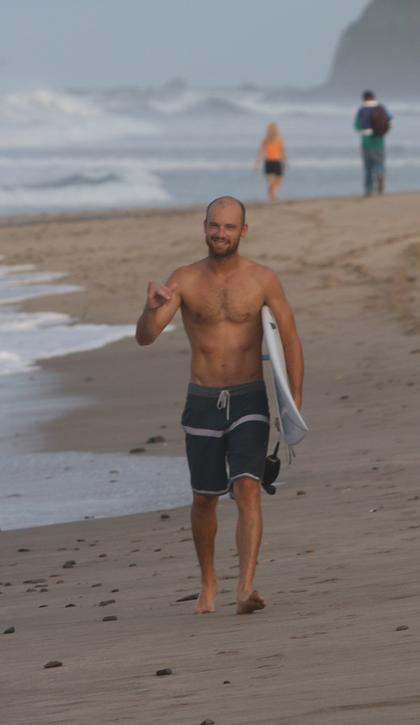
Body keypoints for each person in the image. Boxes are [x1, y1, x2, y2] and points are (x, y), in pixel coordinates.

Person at [136, 196, 304, 615]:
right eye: (215, 226)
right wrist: (150, 309)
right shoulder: (185, 280)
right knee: (203, 499)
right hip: (203, 401)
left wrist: (292, 404)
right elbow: (146, 337)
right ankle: (208, 581)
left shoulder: (263, 279)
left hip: (249, 396)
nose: (221, 233)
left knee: (247, 488)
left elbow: (290, 339)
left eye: (230, 227)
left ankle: (245, 587)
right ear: (204, 227)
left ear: (243, 231)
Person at [354, 90, 392, 196]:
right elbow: (390, 121)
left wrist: (365, 131)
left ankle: (369, 190)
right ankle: (380, 174)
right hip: (379, 141)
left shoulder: (362, 110)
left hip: (366, 143)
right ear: (374, 97)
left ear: (364, 99)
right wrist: (382, 131)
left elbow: (357, 126)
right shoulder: (381, 108)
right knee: (379, 164)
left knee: (368, 168)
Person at [254, 122, 287, 202]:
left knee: (271, 180)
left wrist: (257, 163)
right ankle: (272, 194)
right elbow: (282, 151)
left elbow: (261, 152)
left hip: (269, 161)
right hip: (275, 161)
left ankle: (272, 194)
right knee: (278, 179)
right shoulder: (278, 139)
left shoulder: (266, 140)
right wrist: (285, 161)